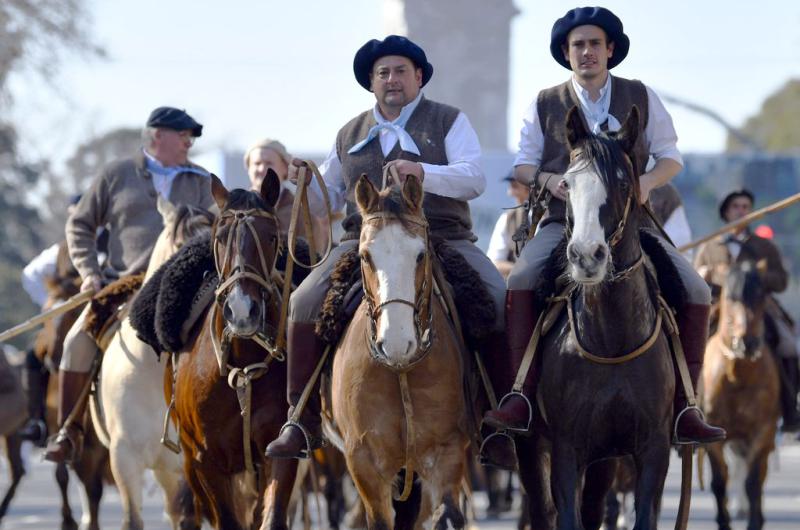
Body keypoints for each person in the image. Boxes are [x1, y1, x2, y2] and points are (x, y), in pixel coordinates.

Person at [482, 6, 725, 458]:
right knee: (519, 280)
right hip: (564, 222)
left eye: (595, 44)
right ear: (566, 53)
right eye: (578, 46)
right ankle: (518, 396)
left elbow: (671, 156)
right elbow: (524, 163)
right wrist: (547, 180)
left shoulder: (641, 95)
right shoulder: (545, 102)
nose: (587, 52)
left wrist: (646, 183)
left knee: (695, 289)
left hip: (631, 224)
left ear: (610, 50)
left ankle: (686, 406)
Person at [265, 35, 509, 461]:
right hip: (365, 243)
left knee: (496, 294)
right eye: (383, 73)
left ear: (418, 77)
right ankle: (300, 420)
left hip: (441, 238)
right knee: (303, 302)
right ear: (371, 83)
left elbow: (474, 178)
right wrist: (297, 181)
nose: (391, 80)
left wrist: (422, 171)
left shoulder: (449, 121)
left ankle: (497, 418)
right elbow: (326, 199)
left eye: (400, 71)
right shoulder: (350, 133)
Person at [44, 107, 215, 463]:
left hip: (185, 288)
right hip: (124, 285)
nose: (189, 142)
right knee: (76, 341)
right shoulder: (117, 174)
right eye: (182, 135)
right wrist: (90, 272)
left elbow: (214, 234)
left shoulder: (201, 180)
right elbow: (80, 226)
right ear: (156, 136)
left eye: (192, 137)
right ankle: (68, 431)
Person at [694, 189, 800, 431]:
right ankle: (688, 411)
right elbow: (694, 278)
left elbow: (781, 280)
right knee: (689, 344)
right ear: (726, 213)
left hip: (758, 308)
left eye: (745, 206)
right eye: (736, 207)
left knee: (787, 345)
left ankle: (790, 409)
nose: (742, 211)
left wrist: (756, 276)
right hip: (719, 309)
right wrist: (704, 275)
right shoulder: (709, 246)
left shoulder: (764, 246)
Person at [244, 138, 331, 254]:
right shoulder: (232, 212)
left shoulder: (304, 215)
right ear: (248, 169)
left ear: (285, 168)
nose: (261, 169)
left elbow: (313, 261)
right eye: (257, 163)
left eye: (269, 163)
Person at [487, 173, 530, 278]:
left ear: (531, 188)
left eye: (515, 187)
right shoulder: (508, 219)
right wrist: (524, 271)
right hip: (521, 286)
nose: (510, 193)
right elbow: (495, 262)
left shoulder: (553, 218)